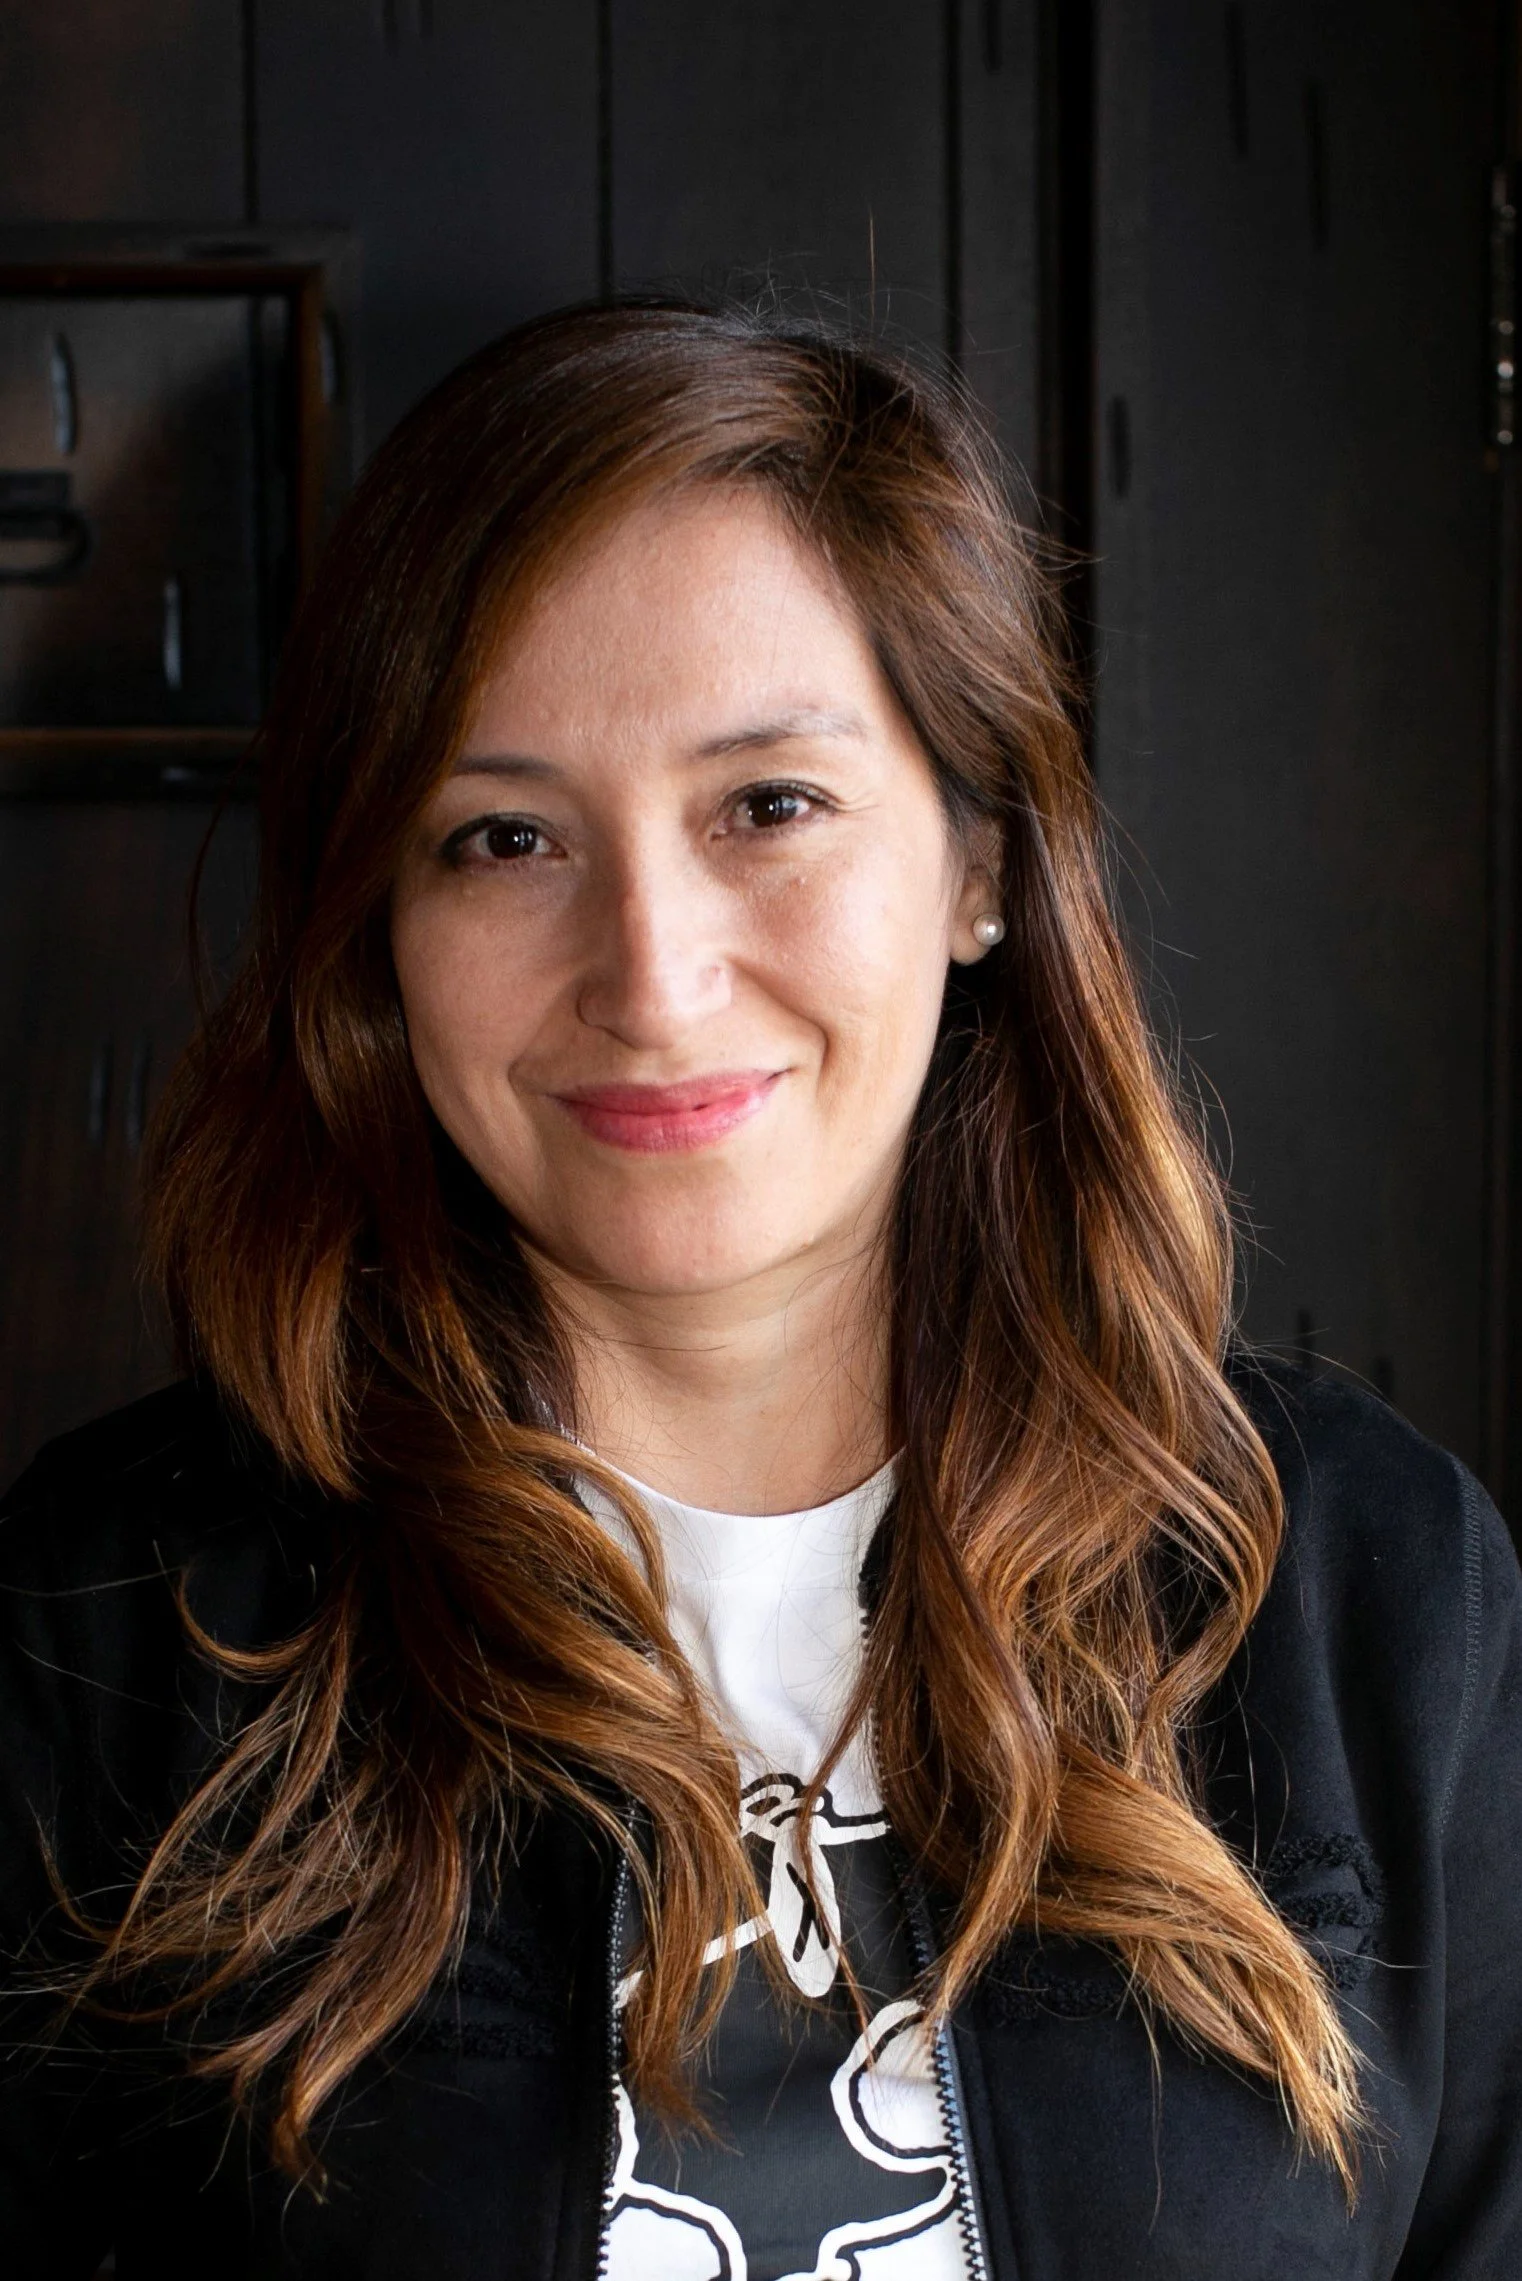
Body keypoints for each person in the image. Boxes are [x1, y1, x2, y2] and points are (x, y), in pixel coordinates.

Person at [0, 302, 1518, 2281]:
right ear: (379, 928)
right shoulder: (112, 1632)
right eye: (504, 836)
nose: (649, 972)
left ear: (979, 855)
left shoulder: (1361, 1584)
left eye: (766, 805)